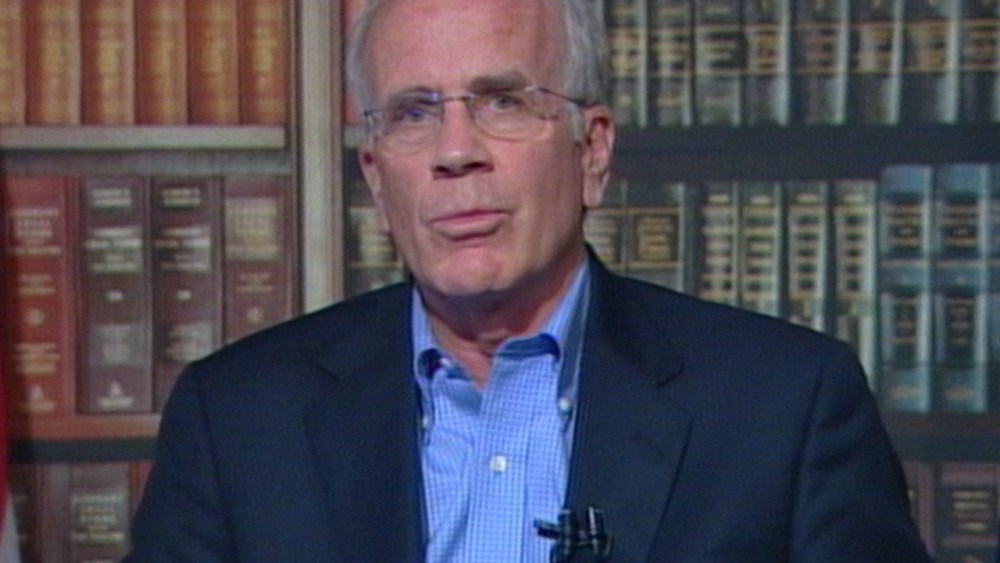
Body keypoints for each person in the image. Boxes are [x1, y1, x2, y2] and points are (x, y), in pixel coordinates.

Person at [126, 0, 933, 561]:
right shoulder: (237, 418)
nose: (455, 152)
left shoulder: (785, 404)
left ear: (593, 151)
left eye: (503, 102)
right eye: (413, 113)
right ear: (375, 177)